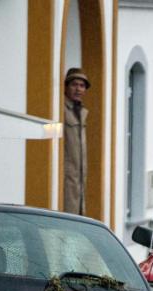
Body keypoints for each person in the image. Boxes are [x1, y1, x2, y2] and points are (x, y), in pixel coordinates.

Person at [63, 67, 90, 215]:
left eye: (82, 85)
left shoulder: (81, 112)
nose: (78, 89)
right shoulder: (61, 109)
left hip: (79, 185)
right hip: (66, 183)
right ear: (66, 87)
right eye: (74, 85)